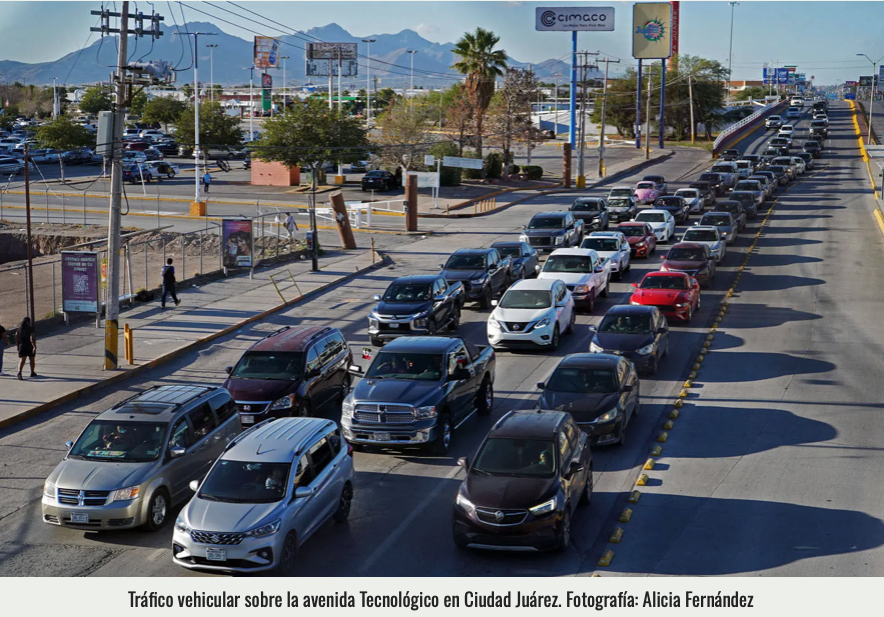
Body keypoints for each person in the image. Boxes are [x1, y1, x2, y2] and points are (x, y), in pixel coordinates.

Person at [16, 316, 36, 380]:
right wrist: (34, 346)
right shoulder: (30, 328)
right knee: (32, 359)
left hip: (22, 345)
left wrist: (18, 345)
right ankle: (32, 372)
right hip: (29, 345)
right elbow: (32, 338)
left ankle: (19, 372)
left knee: (22, 360)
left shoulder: (19, 329)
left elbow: (16, 335)